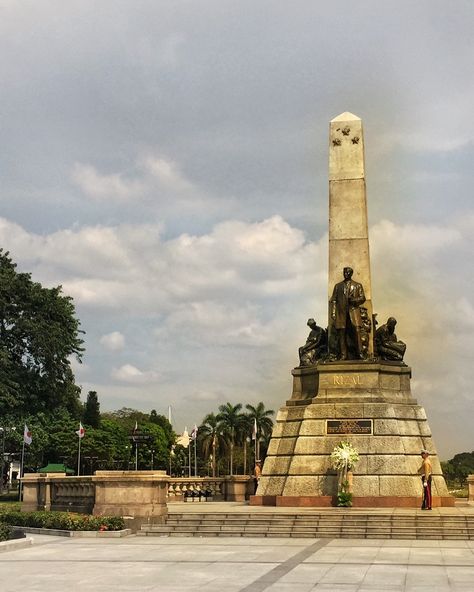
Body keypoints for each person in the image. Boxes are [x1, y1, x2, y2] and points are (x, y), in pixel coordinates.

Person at [329, 267, 366, 360]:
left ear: (351, 274)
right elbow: (333, 300)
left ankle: (360, 353)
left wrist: (354, 300)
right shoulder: (338, 286)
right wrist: (333, 313)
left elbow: (362, 298)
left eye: (348, 272)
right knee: (342, 334)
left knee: (357, 332)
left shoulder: (357, 285)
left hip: (353, 312)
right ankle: (343, 355)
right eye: (344, 272)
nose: (346, 274)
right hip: (341, 313)